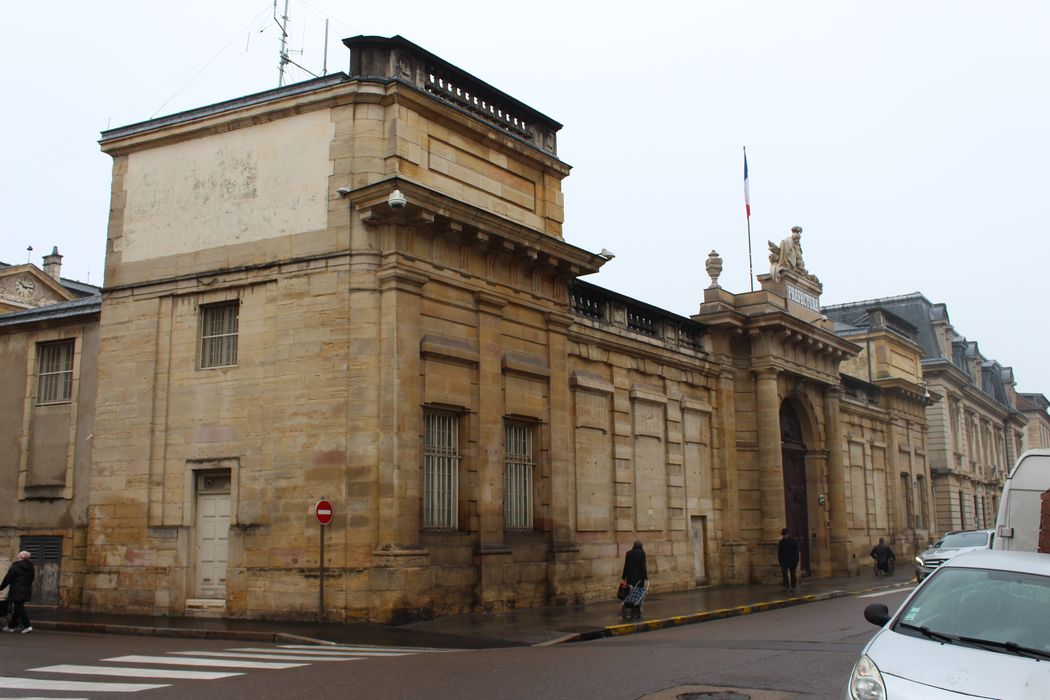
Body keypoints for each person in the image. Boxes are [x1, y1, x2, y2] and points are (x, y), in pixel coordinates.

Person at [1, 551, 35, 633]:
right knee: (18, 608)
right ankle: (11, 626)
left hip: (17, 590)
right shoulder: (30, 567)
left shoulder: (16, 566)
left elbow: (8, 578)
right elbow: (31, 579)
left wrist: (1, 587)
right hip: (26, 589)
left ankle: (27, 626)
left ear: (20, 557)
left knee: (19, 607)